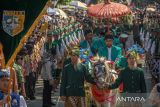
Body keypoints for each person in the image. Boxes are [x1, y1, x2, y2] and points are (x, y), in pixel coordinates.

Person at [41, 32, 55, 107]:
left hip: (50, 74)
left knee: (50, 89)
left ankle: (49, 101)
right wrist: (50, 79)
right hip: (46, 75)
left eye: (51, 36)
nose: (50, 38)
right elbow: (42, 54)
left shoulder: (53, 44)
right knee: (46, 89)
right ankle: (45, 103)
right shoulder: (44, 44)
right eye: (49, 36)